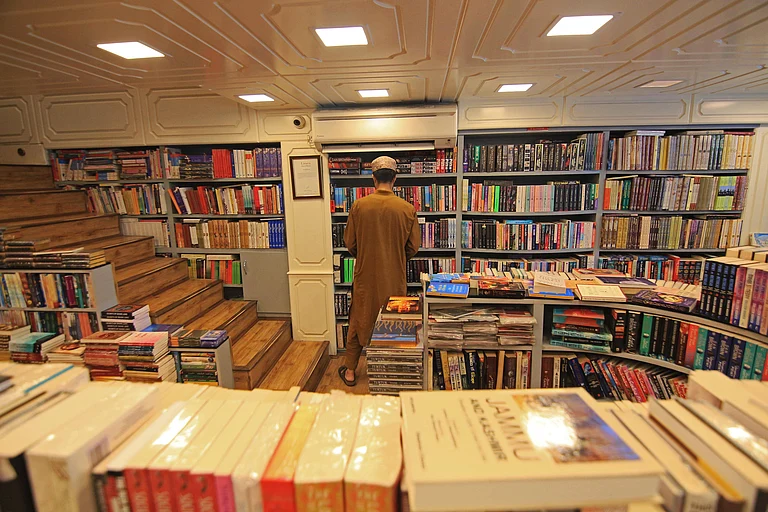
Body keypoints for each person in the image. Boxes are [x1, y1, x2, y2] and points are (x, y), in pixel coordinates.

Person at [338, 156, 421, 386]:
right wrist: (395, 256)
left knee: (358, 320)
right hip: (394, 278)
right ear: (395, 179)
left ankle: (351, 371)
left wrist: (365, 254)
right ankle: (394, 374)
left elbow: (350, 243)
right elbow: (413, 247)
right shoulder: (407, 209)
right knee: (395, 322)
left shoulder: (359, 206)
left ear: (373, 179)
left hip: (365, 276)